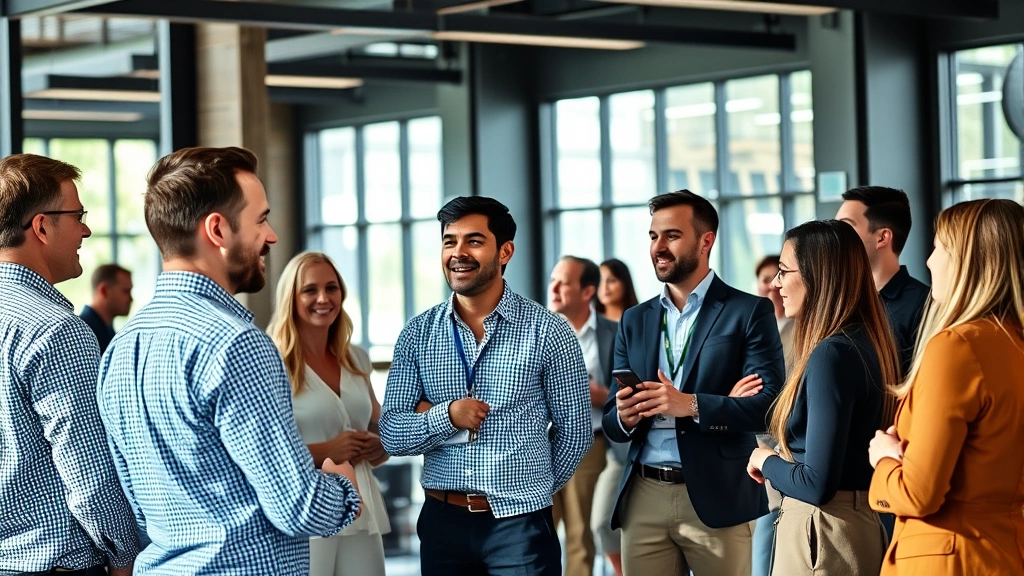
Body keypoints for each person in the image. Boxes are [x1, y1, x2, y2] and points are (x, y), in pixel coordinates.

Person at [95, 147, 362, 575]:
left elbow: (136, 507)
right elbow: (300, 509)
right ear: (217, 230)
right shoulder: (236, 345)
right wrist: (343, 486)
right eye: (260, 220)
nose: (271, 236)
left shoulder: (122, 347)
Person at [379, 196, 592, 576]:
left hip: (521, 526)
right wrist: (447, 416)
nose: (458, 253)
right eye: (449, 241)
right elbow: (393, 434)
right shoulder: (417, 335)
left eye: (474, 241)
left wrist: (532, 485)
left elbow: (575, 433)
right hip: (442, 522)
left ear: (505, 251)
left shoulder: (550, 332)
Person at [603, 190, 785, 576]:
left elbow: (768, 407)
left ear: (706, 241)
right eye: (653, 236)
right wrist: (625, 415)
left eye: (671, 235)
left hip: (717, 496)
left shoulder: (748, 312)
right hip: (644, 494)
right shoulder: (634, 320)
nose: (658, 247)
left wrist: (690, 404)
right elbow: (611, 422)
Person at [0, 154, 139, 576]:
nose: (86, 229)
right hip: (57, 562)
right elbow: (89, 472)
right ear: (41, 227)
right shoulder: (56, 330)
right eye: (77, 215)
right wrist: (126, 557)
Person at [868, 199, 1024, 575]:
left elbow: (918, 494)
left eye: (939, 247)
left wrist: (885, 459)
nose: (929, 261)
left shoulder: (957, 347)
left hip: (947, 559)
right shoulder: (1014, 344)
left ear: (968, 261)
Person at [747, 219, 899, 575]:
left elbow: (817, 483)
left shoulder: (831, 354)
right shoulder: (865, 343)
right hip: (850, 527)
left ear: (818, 275)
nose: (775, 283)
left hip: (822, 534)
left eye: (784, 271)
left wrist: (764, 459)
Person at [268, 251, 391, 576]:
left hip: (361, 505)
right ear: (291, 297)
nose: (323, 298)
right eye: (310, 290)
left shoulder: (357, 358)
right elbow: (262, 451)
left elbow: (380, 425)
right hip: (306, 509)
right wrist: (326, 452)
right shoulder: (272, 363)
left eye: (331, 288)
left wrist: (381, 446)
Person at [548, 255, 618, 576]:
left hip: (586, 444)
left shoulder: (614, 333)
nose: (555, 288)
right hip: (537, 444)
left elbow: (630, 393)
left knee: (579, 534)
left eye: (563, 282)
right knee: (536, 529)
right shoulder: (537, 331)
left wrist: (599, 395)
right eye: (553, 281)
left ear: (588, 291)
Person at [836, 186, 929, 375]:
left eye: (845, 226)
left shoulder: (924, 305)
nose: (835, 235)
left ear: (882, 237)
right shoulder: (839, 298)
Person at [592, 258, 639, 576]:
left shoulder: (638, 322)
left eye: (612, 279)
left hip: (642, 436)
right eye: (600, 281)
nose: (605, 287)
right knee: (600, 523)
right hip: (611, 441)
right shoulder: (592, 326)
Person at [750, 254, 792, 576]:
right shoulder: (752, 331)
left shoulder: (800, 329)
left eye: (777, 274)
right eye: (765, 277)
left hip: (782, 445)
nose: (771, 284)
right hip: (756, 444)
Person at [80, 263, 133, 353]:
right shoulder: (83, 332)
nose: (131, 299)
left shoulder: (106, 330)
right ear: (104, 290)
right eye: (126, 291)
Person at [597, 258, 639, 323]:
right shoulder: (591, 322)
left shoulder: (639, 319)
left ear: (625, 283)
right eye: (599, 281)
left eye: (611, 280)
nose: (604, 287)